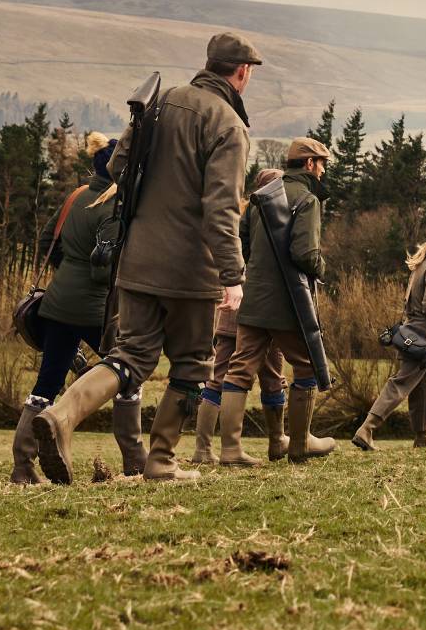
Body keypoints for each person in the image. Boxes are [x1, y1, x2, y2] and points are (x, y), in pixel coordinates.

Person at [23, 32, 258, 484]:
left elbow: (116, 167)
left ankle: (61, 416)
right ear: (242, 72)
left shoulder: (162, 101)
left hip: (136, 259)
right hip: (192, 269)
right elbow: (222, 207)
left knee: (129, 356)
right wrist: (233, 275)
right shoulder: (228, 124)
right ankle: (162, 462)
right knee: (192, 365)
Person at [219, 137, 338, 464]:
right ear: (311, 164)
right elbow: (305, 253)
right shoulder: (308, 200)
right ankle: (300, 444)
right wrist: (322, 267)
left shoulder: (260, 197)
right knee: (307, 367)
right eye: (322, 165)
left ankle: (230, 449)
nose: (323, 172)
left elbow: (241, 242)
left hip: (254, 298)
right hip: (289, 303)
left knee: (239, 369)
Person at [11, 133, 118, 484]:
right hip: (96, 307)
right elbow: (105, 269)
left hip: (57, 302)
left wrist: (69, 269)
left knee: (47, 381)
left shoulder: (75, 196)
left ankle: (23, 466)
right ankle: (136, 459)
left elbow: (47, 242)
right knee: (126, 371)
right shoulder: (113, 205)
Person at [198, 169, 290, 466]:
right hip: (264, 309)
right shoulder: (277, 223)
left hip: (231, 309)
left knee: (219, 376)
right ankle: (277, 442)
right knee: (274, 377)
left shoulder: (240, 223)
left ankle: (203, 448)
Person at [356, 221, 426, 449]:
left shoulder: (425, 265)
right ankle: (366, 430)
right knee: (400, 385)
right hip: (422, 340)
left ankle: (422, 435)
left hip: (418, 338)